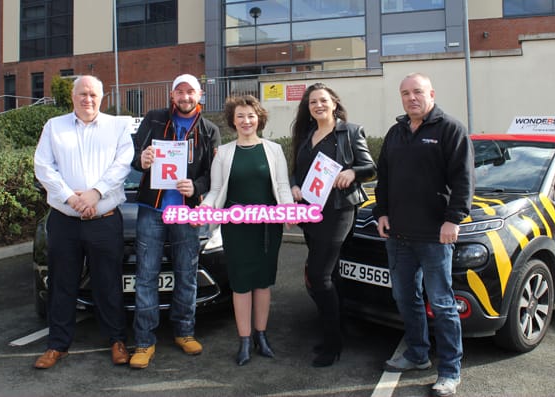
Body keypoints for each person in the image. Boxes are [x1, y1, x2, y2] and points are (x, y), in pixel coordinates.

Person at [373, 73, 474, 397]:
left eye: (417, 92)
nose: (411, 98)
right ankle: (417, 354)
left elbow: (463, 180)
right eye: (405, 93)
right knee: (405, 297)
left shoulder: (450, 129)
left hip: (434, 236)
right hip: (399, 235)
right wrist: (382, 212)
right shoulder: (396, 132)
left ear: (431, 93)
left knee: (442, 303)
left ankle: (449, 371)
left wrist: (453, 220)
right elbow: (383, 178)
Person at [33, 75, 134, 369]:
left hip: (104, 219)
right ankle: (57, 345)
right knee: (61, 284)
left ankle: (117, 340)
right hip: (65, 219)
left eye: (93, 94)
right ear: (73, 96)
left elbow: (122, 165)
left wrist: (94, 194)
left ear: (102, 98)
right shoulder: (54, 126)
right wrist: (71, 198)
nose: (87, 99)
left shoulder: (117, 127)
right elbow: (43, 166)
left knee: (108, 283)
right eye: (82, 94)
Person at [129, 74, 221, 368]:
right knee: (145, 275)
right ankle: (144, 341)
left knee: (186, 273)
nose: (185, 97)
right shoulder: (154, 119)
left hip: (186, 212)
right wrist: (141, 160)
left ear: (199, 95)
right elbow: (131, 156)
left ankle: (184, 331)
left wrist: (197, 187)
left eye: (190, 91)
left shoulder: (209, 130)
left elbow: (213, 173)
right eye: (179, 92)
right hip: (151, 210)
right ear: (172, 95)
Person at [201, 95, 293, 366]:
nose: (246, 121)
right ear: (233, 121)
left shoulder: (273, 150)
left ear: (259, 119)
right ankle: (243, 340)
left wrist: (288, 210)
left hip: (267, 225)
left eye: (250, 115)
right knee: (241, 285)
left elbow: (283, 186)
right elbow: (216, 190)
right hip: (235, 226)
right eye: (240, 116)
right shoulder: (225, 153)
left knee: (263, 283)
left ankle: (261, 336)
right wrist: (205, 209)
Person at [289, 83, 376, 367]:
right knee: (332, 276)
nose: (318, 105)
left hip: (338, 211)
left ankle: (333, 344)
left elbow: (370, 167)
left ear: (334, 103)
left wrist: (352, 172)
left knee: (319, 275)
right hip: (310, 213)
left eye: (323, 100)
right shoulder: (306, 135)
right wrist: (293, 187)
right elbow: (296, 172)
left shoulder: (350, 132)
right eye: (313, 102)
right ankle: (336, 331)